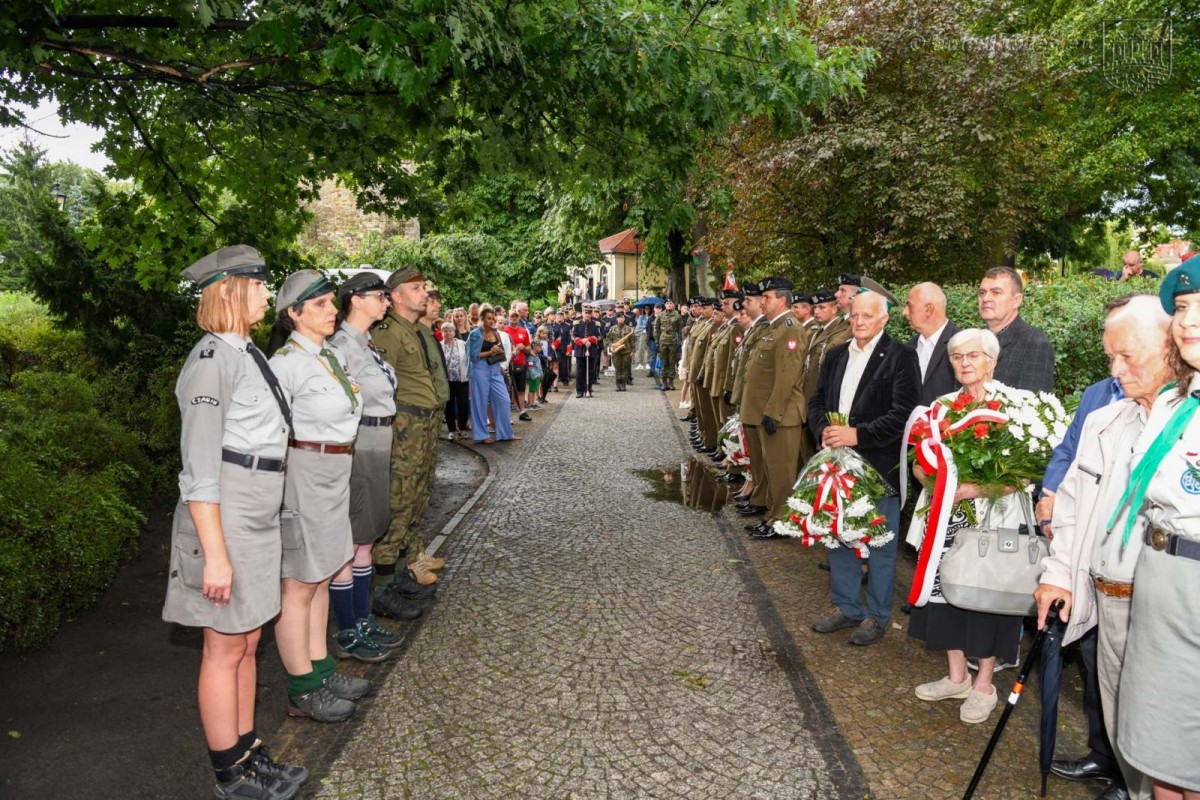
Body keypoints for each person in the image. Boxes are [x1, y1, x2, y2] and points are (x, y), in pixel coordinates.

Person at [164, 246, 306, 800]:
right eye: (260, 284)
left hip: (255, 508)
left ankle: (249, 754)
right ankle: (230, 774)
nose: (269, 295)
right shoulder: (211, 359)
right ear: (230, 289)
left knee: (247, 642)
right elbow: (199, 469)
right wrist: (215, 555)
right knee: (224, 649)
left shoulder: (244, 351)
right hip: (226, 512)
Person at [1033, 296, 1172, 800]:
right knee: (1117, 715)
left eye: (1127, 357)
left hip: (1166, 611)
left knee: (1165, 736)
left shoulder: (1188, 426)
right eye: (1111, 357)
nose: (1115, 370)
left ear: (1170, 348)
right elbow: (1072, 508)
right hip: (1106, 601)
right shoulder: (1104, 421)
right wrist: (1058, 573)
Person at [906, 328, 1026, 720]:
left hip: (992, 519)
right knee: (944, 595)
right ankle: (956, 676)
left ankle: (983, 686)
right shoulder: (940, 408)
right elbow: (918, 460)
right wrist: (935, 483)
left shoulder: (1014, 408)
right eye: (957, 357)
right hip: (944, 519)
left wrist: (975, 489)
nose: (964, 363)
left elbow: (1027, 473)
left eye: (973, 356)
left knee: (985, 599)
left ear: (993, 361)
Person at [1114, 259, 1200, 800]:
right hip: (1161, 579)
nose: (1188, 320)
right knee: (1159, 744)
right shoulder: (1175, 404)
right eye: (1184, 308)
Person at [267, 269, 366, 725]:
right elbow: (270, 431)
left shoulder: (329, 355)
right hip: (305, 470)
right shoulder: (284, 365)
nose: (332, 311)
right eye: (320, 304)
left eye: (331, 302)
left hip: (335, 469)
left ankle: (321, 669)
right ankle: (302, 687)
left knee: (323, 575)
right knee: (299, 584)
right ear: (294, 313)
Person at [808, 290, 919, 647]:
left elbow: (903, 415)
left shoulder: (901, 356)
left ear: (884, 319)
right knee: (839, 537)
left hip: (879, 467)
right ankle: (847, 607)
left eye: (867, 316)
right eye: (854, 315)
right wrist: (822, 431)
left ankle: (877, 616)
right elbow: (817, 400)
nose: (859, 322)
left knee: (880, 545)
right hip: (837, 465)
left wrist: (858, 435)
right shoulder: (836, 354)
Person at [325, 274, 411, 666]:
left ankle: (362, 620)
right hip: (359, 444)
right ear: (356, 300)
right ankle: (348, 631)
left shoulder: (365, 342)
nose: (386, 302)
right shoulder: (341, 347)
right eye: (380, 296)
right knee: (353, 538)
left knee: (366, 539)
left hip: (377, 441)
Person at [371, 268, 445, 597]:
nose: (424, 293)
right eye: (415, 288)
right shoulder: (388, 332)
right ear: (396, 296)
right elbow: (380, 385)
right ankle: (383, 585)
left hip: (422, 424)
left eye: (422, 287)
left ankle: (403, 566)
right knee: (399, 500)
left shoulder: (413, 330)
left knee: (416, 497)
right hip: (404, 426)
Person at [740, 278, 806, 537]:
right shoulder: (773, 327)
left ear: (782, 300)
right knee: (771, 469)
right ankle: (771, 515)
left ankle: (782, 521)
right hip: (768, 411)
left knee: (781, 473)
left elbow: (787, 376)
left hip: (781, 414)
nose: (763, 302)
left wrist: (773, 412)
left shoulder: (789, 329)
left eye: (767, 297)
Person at [978, 266, 1054, 392]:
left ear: (1016, 301)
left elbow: (1032, 401)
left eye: (996, 292)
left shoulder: (1035, 343)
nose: (985, 299)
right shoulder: (974, 341)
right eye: (982, 293)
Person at [903, 282, 960, 406]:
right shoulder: (908, 348)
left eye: (909, 306)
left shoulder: (962, 344)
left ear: (928, 310)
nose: (905, 312)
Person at [467, 307, 517, 443]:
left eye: (493, 319)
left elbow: (500, 350)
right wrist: (490, 352)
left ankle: (505, 433)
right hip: (479, 369)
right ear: (482, 319)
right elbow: (472, 355)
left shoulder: (496, 333)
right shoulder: (475, 334)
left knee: (504, 400)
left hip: (495, 369)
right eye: (488, 318)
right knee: (480, 402)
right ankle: (481, 435)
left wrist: (498, 351)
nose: (491, 321)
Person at [440, 322, 471, 439]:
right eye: (445, 331)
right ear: (442, 333)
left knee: (463, 404)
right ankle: (451, 430)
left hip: (461, 379)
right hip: (446, 380)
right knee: (449, 405)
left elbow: (469, 359)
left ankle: (462, 428)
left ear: (454, 332)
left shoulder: (462, 344)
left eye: (450, 330)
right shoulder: (439, 346)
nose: (448, 333)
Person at [504, 310, 533, 422]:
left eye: (516, 316)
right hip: (507, 364)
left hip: (520, 363)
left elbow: (529, 348)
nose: (514, 318)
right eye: (512, 316)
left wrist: (524, 348)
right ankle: (507, 415)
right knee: (507, 390)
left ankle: (522, 411)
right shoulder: (504, 330)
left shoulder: (523, 331)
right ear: (508, 317)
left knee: (521, 389)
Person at [572, 306, 603, 397]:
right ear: (582, 313)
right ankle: (579, 391)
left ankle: (588, 389)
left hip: (591, 350)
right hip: (580, 350)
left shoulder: (596, 324)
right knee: (580, 372)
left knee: (590, 371)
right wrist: (581, 341)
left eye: (589, 313)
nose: (587, 315)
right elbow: (573, 336)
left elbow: (599, 336)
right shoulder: (577, 323)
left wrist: (590, 340)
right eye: (586, 313)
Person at [656, 299, 683, 391]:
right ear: (665, 305)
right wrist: (657, 341)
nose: (669, 305)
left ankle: (671, 383)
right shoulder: (660, 315)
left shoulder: (677, 316)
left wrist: (679, 341)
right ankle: (664, 383)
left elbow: (680, 330)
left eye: (670, 303)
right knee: (664, 362)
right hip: (663, 340)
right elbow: (656, 329)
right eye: (667, 303)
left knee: (671, 362)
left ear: (673, 305)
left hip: (672, 340)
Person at [606, 310, 635, 391]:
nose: (621, 319)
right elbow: (608, 339)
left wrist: (633, 350)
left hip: (626, 351)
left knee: (624, 368)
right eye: (619, 317)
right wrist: (611, 344)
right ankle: (618, 384)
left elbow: (632, 340)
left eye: (622, 317)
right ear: (617, 319)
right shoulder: (612, 328)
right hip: (616, 351)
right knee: (618, 368)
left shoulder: (629, 329)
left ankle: (623, 384)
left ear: (624, 319)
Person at [1094, 250, 1159, 282]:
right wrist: (1122, 279)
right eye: (1125, 265)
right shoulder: (1117, 275)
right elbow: (1109, 291)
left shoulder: (1151, 276)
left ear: (1140, 263)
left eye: (1131, 265)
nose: (1127, 268)